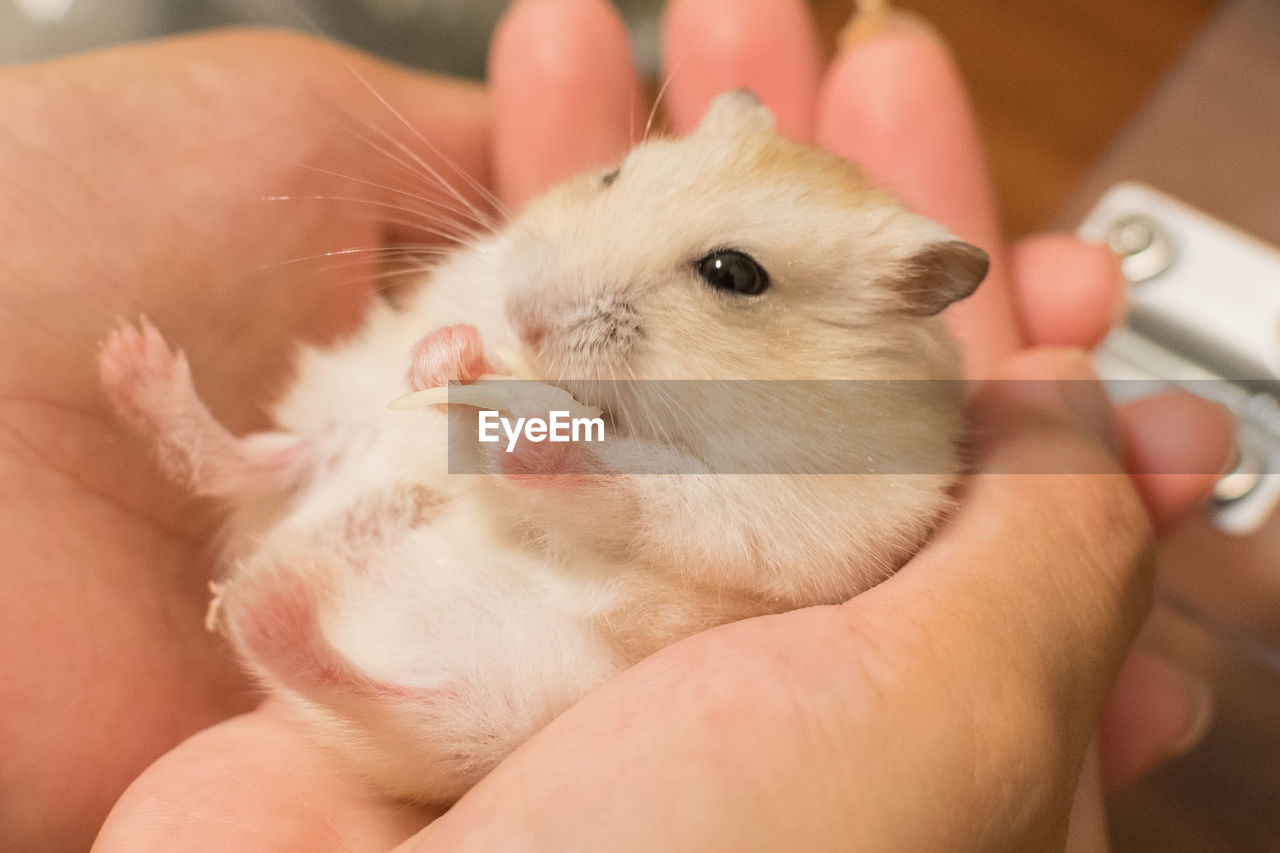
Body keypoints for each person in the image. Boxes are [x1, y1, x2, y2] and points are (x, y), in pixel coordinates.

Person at [0, 0, 1228, 849]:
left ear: (904, 300)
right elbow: (458, 420)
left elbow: (708, 553)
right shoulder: (546, 284)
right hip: (446, 500)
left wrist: (562, 461)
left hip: (565, 606)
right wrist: (478, 410)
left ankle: (331, 663)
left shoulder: (863, 452)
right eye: (605, 183)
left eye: (730, 278)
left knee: (506, 684)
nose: (553, 287)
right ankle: (254, 505)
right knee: (399, 421)